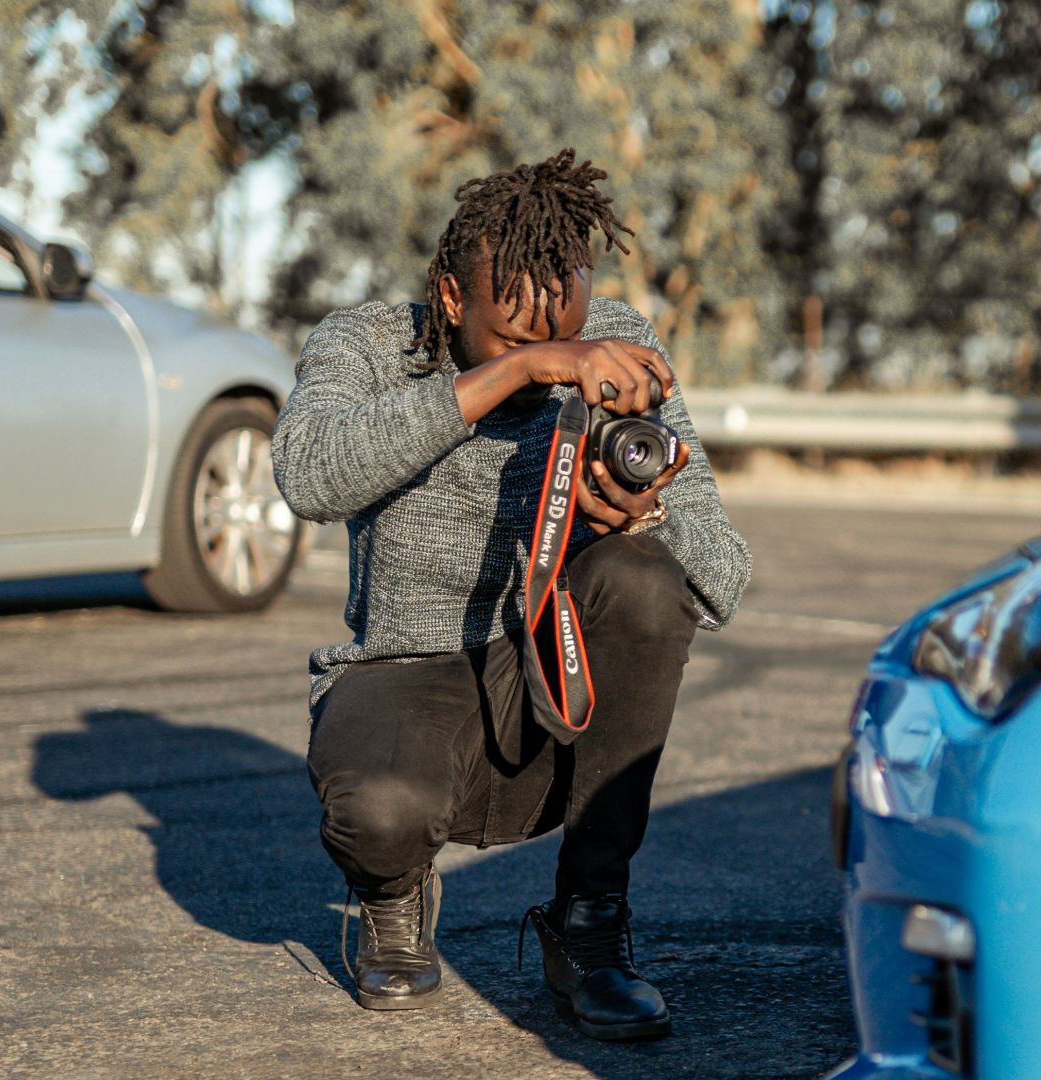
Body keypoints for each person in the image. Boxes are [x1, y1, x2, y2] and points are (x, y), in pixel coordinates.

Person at [271, 150, 750, 1040]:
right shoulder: (369, 343)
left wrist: (644, 524)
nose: (557, 358)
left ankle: (591, 923)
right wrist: (517, 377)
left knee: (647, 584)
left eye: (563, 332)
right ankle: (393, 893)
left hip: (550, 680)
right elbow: (308, 474)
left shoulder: (618, 343)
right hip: (406, 671)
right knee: (379, 814)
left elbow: (723, 571)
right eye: (519, 339)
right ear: (454, 299)